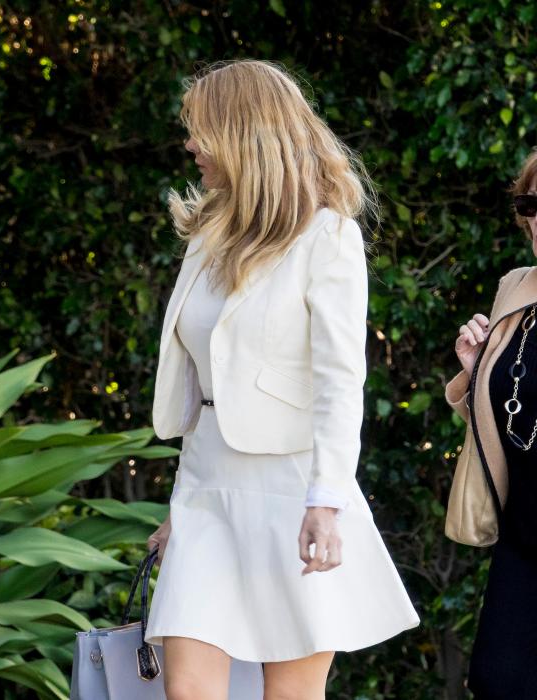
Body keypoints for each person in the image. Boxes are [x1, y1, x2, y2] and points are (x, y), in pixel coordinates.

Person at [143, 60, 419, 700]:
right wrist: (179, 505)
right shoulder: (206, 236)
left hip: (293, 492)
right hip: (207, 488)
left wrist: (326, 502)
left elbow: (339, 382)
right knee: (186, 689)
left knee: (290, 695)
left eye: (200, 130)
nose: (189, 146)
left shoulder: (329, 238)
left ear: (242, 134)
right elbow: (210, 384)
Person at [447, 151, 537, 699]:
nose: (535, 219)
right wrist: (474, 372)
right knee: (497, 680)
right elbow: (509, 411)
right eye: (529, 204)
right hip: (524, 535)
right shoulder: (518, 290)